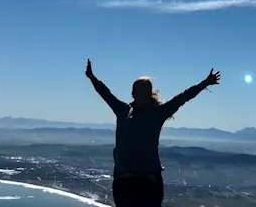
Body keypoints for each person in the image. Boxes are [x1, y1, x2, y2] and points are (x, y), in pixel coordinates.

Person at [85, 58, 221, 207]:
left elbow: (183, 97)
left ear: (150, 93)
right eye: (139, 91)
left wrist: (204, 83)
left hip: (148, 183)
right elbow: (105, 93)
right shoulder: (122, 110)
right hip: (123, 182)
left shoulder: (158, 113)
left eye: (145, 92)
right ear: (132, 93)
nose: (142, 95)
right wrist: (92, 77)